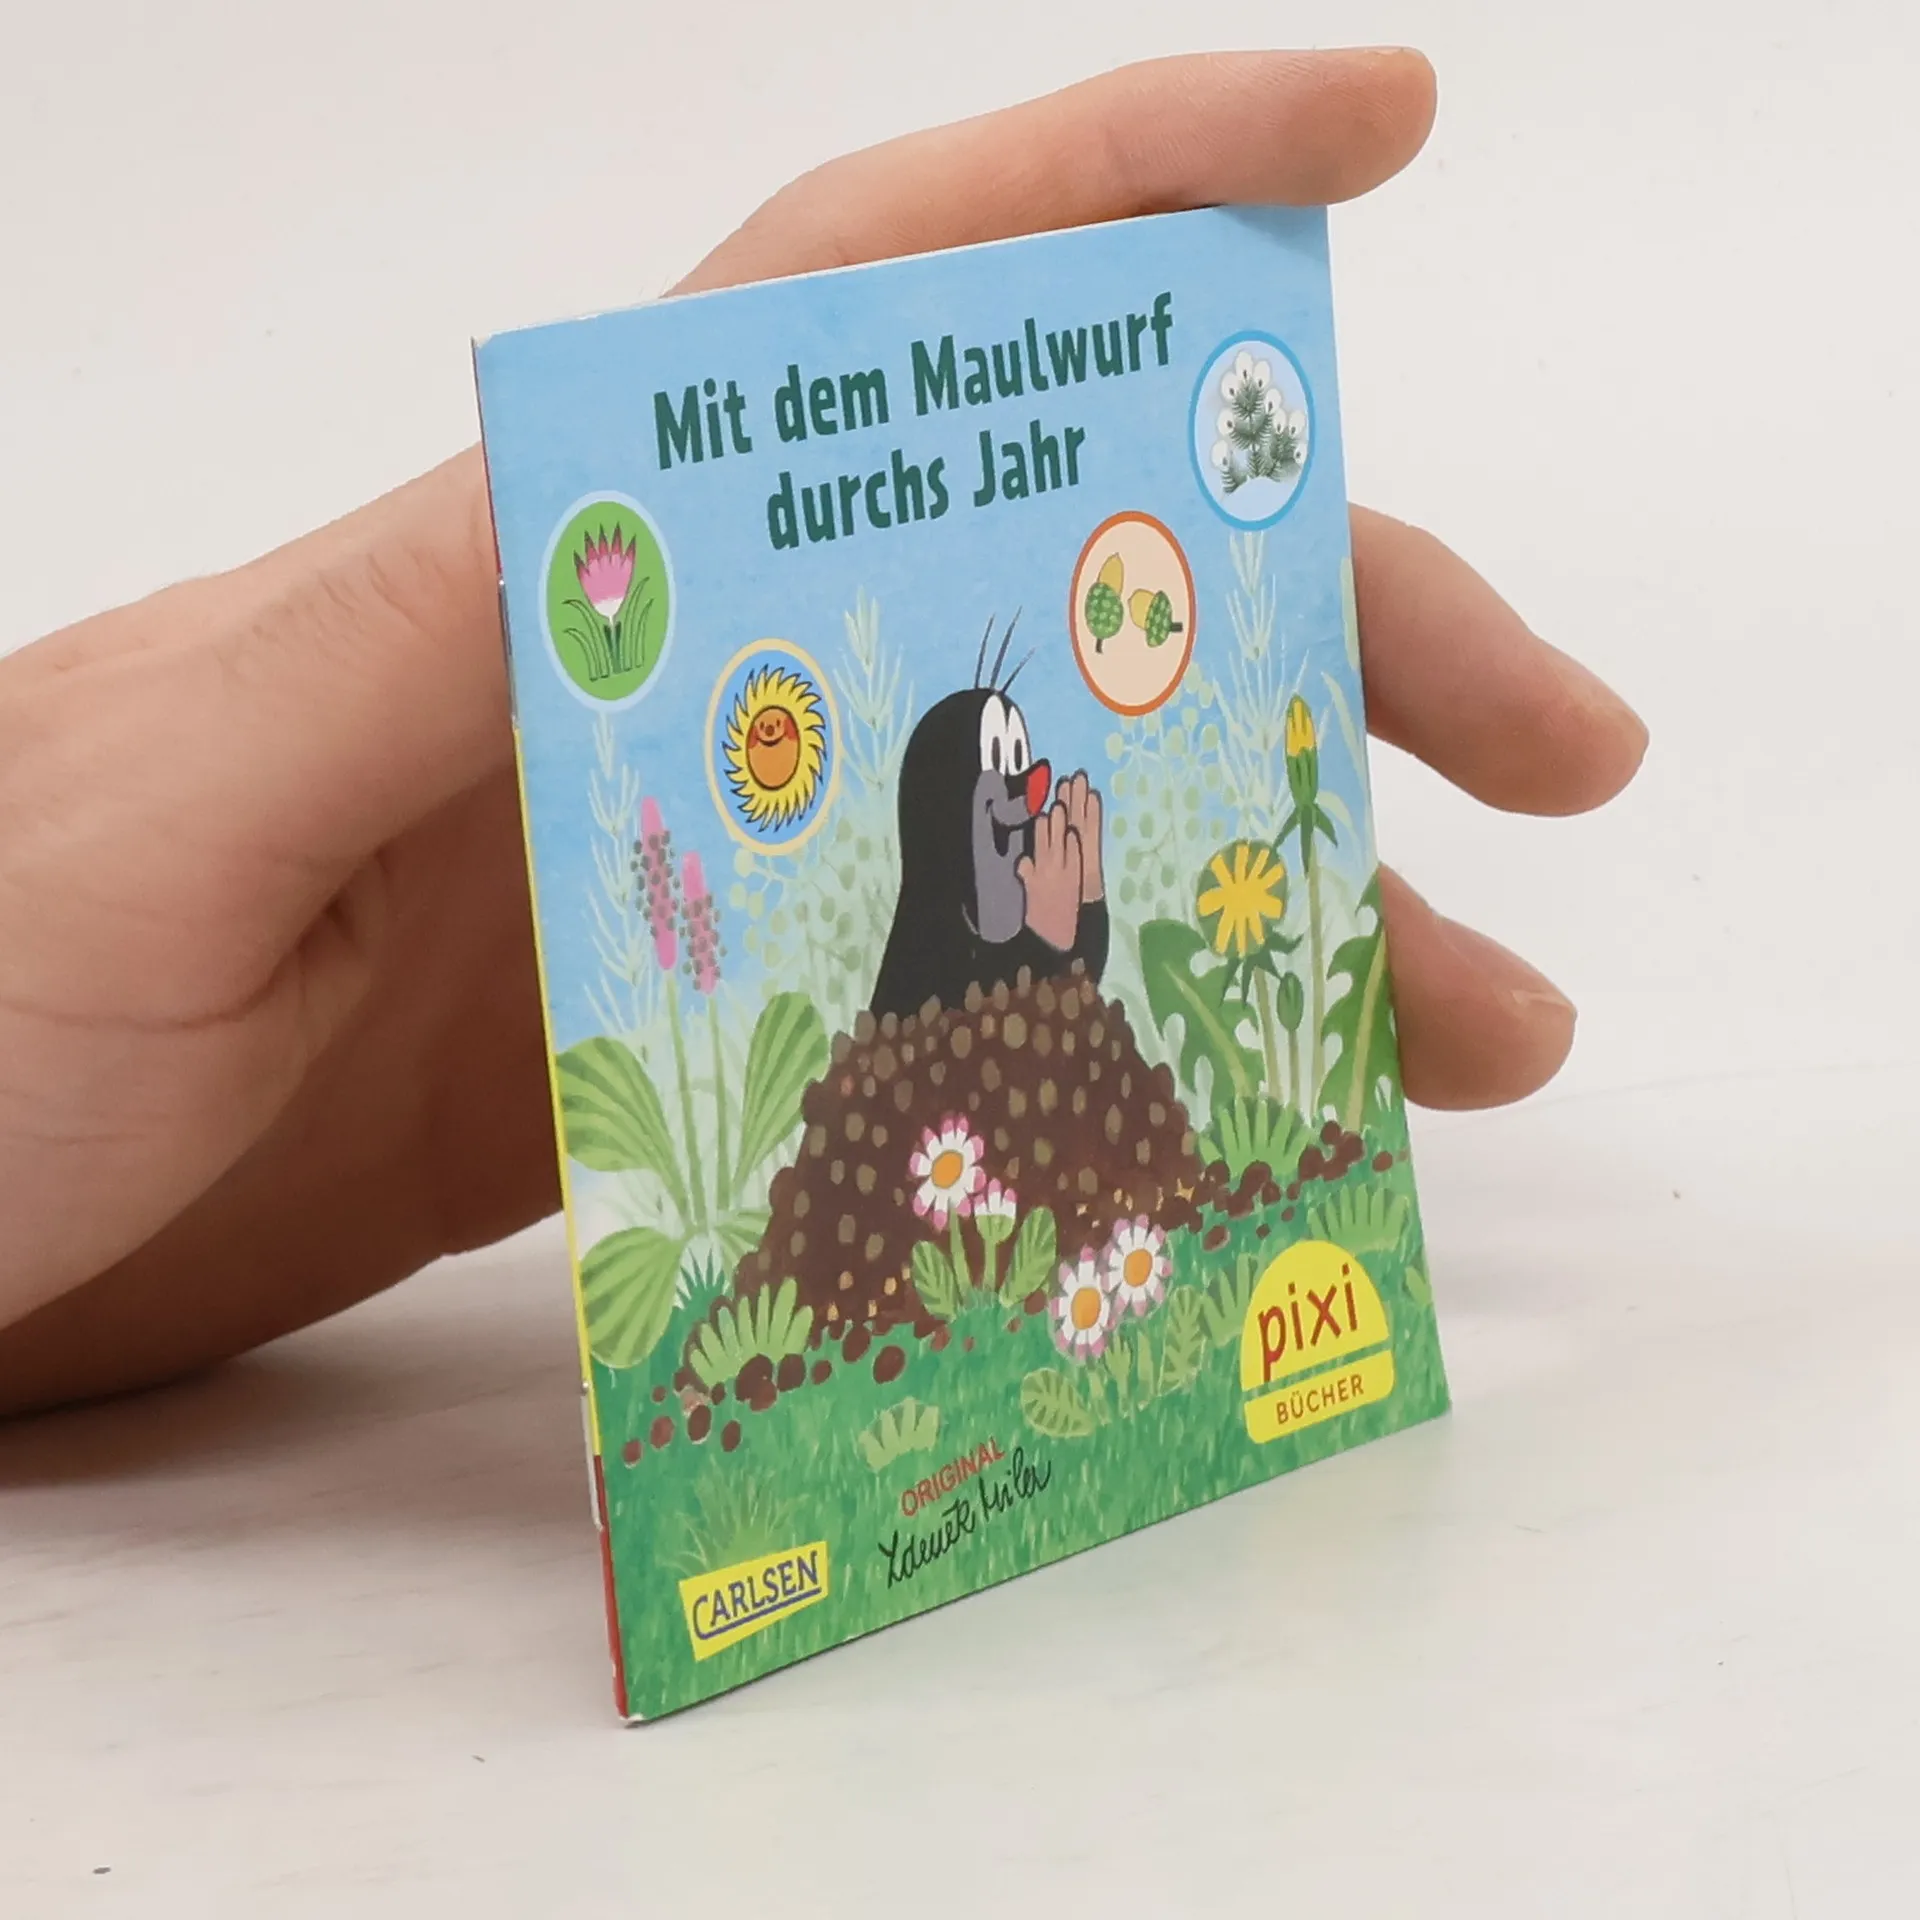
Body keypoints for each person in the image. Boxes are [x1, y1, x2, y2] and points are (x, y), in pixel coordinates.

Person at [0, 48, 1645, 1417]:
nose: (1030, 791)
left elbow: (1091, 1088)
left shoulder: (1041, 982)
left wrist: (1069, 940)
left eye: (1021, 766)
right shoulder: (893, 1074)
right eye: (999, 781)